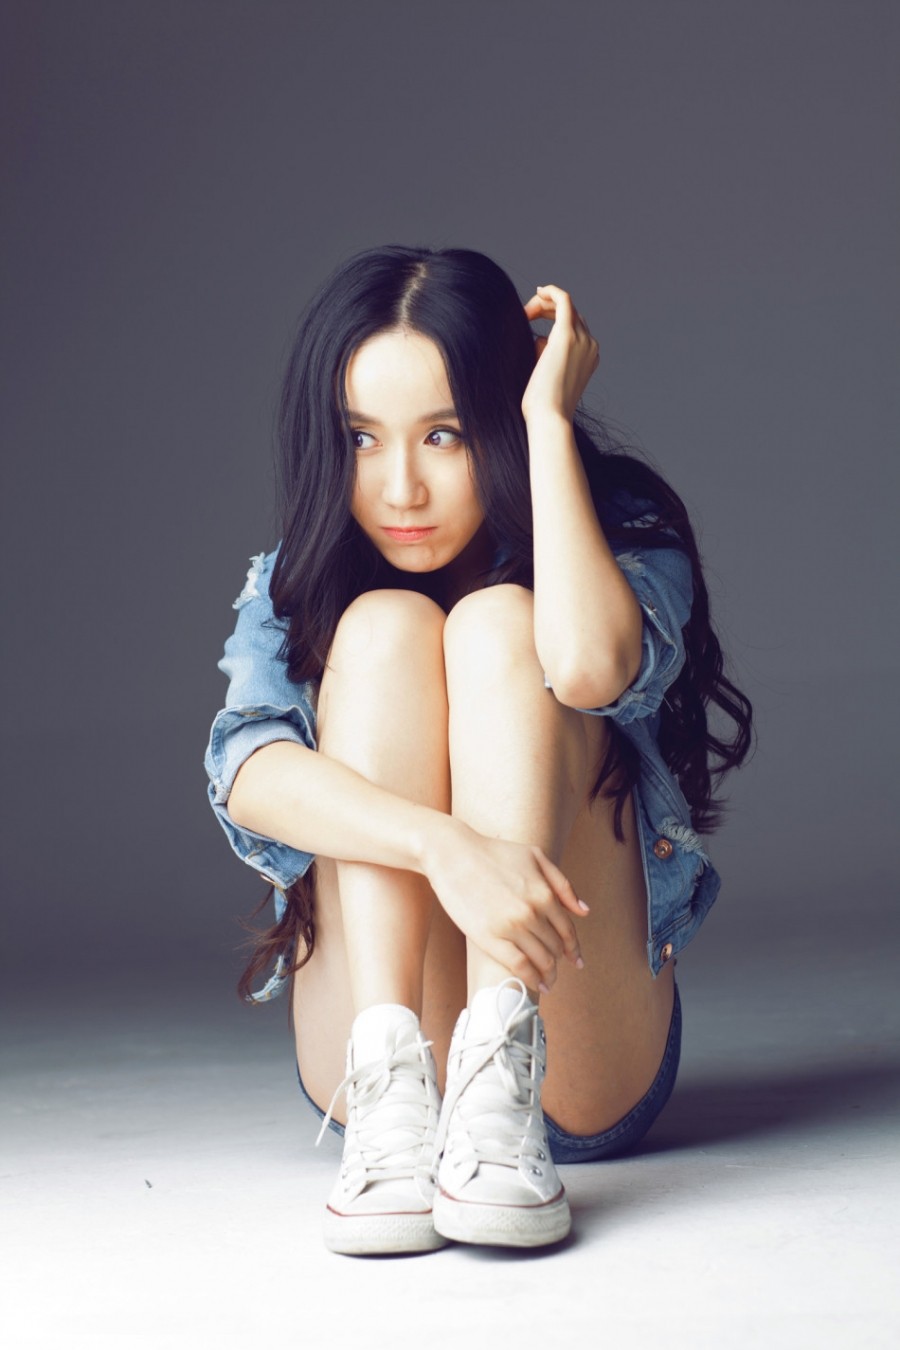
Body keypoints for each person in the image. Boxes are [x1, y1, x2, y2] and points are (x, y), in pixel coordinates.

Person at [203, 245, 752, 1256]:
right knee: (383, 629)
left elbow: (587, 666)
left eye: (446, 435)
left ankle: (501, 1096)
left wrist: (547, 425)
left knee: (503, 622)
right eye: (362, 439)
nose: (399, 489)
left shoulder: (616, 529)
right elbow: (246, 771)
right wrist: (444, 847)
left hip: (575, 1055)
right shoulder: (306, 576)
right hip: (379, 1050)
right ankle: (395, 1103)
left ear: (497, 419)